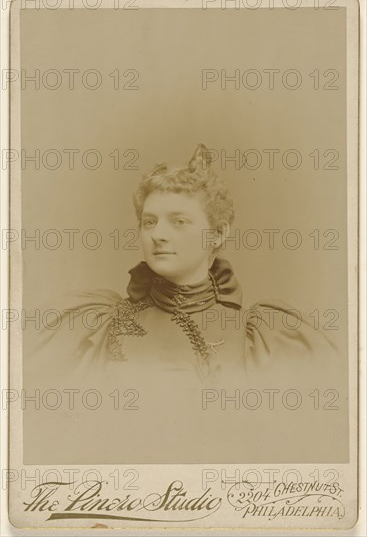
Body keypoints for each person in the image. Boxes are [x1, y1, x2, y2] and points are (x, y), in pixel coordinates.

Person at [24, 144, 344, 465]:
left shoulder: (265, 336)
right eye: (149, 222)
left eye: (178, 221)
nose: (158, 234)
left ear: (217, 235)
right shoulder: (96, 325)